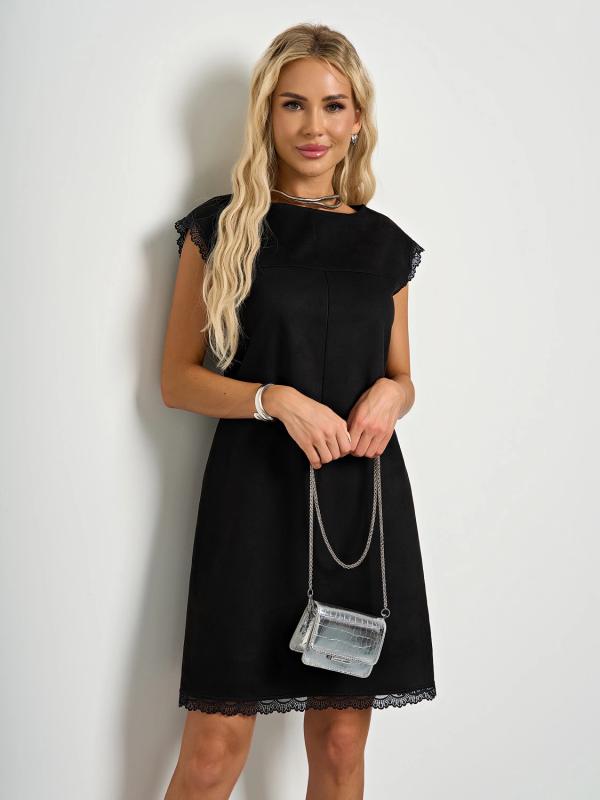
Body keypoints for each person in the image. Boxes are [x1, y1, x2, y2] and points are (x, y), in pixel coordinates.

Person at [162, 22, 436, 800]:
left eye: (332, 105)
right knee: (214, 749)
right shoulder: (222, 227)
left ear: (357, 119)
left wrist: (396, 394)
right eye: (293, 104)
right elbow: (178, 380)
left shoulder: (386, 247)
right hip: (253, 502)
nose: (313, 126)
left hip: (359, 510)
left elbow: (402, 376)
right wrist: (270, 399)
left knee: (342, 743)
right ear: (267, 114)